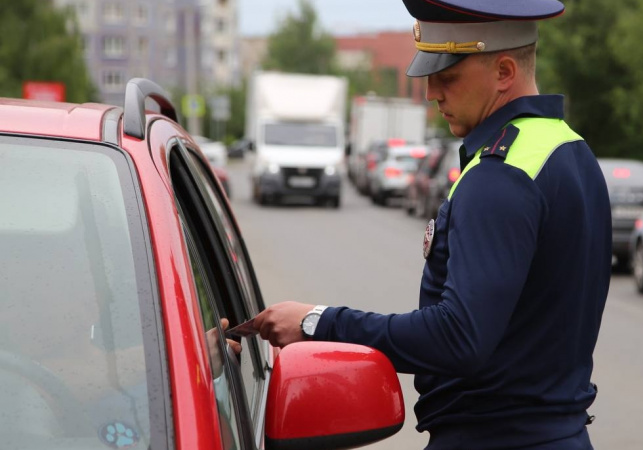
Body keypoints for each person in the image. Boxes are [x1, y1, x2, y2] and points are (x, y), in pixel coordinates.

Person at [252, 0, 612, 448]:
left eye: (448, 76)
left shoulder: (500, 175)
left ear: (503, 72)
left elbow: (458, 336)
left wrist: (318, 323)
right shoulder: (570, 152)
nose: (431, 93)